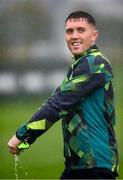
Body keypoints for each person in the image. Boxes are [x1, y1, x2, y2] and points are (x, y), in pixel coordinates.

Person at [8, 11, 118, 179]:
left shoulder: (95, 63)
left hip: (94, 166)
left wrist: (23, 135)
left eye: (81, 30)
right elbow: (55, 100)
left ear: (94, 35)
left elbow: (58, 104)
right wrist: (27, 139)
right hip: (80, 166)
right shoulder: (81, 65)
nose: (74, 35)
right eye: (69, 31)